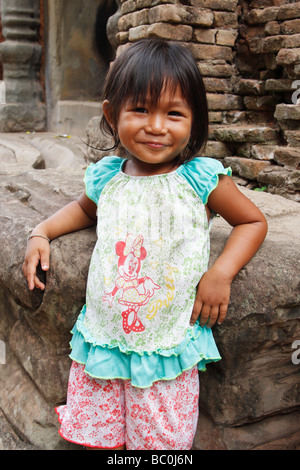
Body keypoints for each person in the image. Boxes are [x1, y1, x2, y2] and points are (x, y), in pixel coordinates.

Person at [22, 39, 268, 450]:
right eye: (140, 109)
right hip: (102, 343)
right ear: (111, 113)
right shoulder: (107, 178)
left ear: (194, 121)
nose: (156, 126)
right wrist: (41, 232)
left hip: (165, 350)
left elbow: (252, 221)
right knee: (100, 441)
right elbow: (83, 211)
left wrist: (220, 273)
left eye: (173, 113)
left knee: (159, 447)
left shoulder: (200, 179)